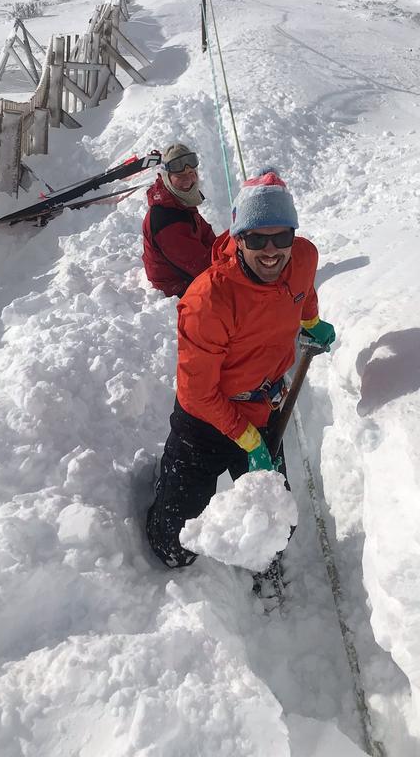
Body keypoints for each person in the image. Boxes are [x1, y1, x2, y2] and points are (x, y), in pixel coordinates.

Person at [146, 168, 336, 569]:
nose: (271, 250)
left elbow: (304, 290)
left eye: (281, 237)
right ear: (238, 238)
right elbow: (197, 393)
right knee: (173, 547)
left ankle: (264, 575)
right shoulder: (208, 301)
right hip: (206, 421)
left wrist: (311, 322)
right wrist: (248, 441)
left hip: (265, 409)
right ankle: (167, 483)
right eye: (256, 238)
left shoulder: (302, 256)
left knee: (276, 529)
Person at [142, 143, 216, 298]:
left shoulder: (177, 200)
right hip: (175, 286)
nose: (188, 180)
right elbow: (199, 265)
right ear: (167, 178)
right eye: (180, 176)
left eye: (191, 173)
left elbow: (206, 233)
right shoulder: (166, 218)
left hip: (187, 270)